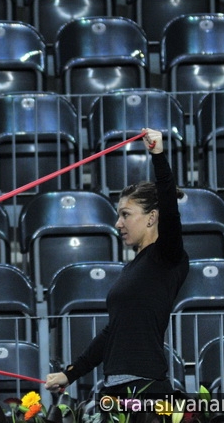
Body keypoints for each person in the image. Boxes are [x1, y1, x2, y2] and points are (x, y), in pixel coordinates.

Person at [45, 128, 189, 398]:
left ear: (151, 217)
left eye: (126, 214)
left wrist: (158, 156)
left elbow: (169, 206)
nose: (118, 223)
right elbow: (113, 331)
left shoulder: (168, 256)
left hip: (145, 388)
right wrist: (71, 373)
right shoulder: (133, 267)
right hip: (114, 386)